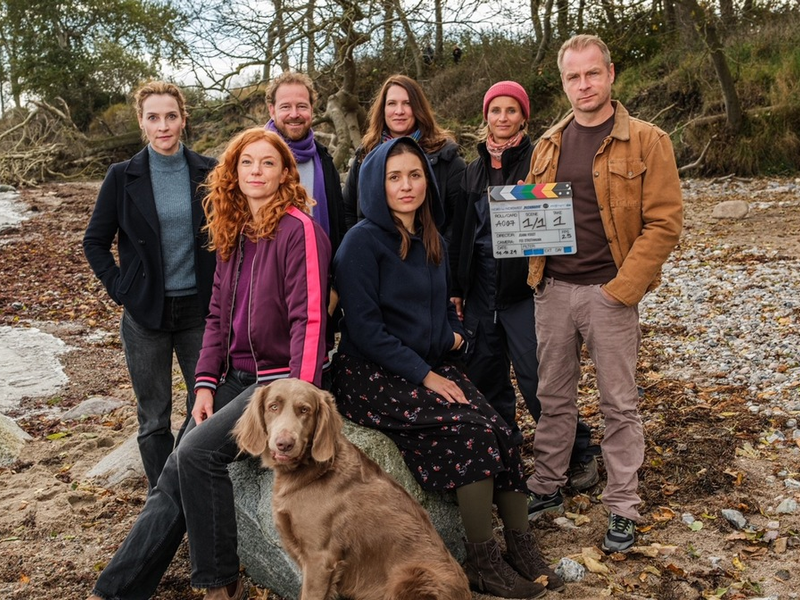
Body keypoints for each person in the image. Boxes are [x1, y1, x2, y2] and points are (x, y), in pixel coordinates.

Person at [86, 128, 331, 600]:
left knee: (197, 455)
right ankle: (115, 592)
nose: (256, 172)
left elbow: (311, 316)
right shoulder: (234, 231)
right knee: (173, 475)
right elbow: (216, 316)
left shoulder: (299, 229)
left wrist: (297, 397)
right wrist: (203, 384)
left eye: (267, 163)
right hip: (235, 378)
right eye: (246, 163)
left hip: (276, 383)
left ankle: (218, 584)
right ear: (233, 174)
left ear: (285, 174)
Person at [331, 136, 563, 599]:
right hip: (370, 374)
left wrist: (455, 331)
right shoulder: (360, 242)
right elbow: (367, 330)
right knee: (468, 434)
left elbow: (448, 302)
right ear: (377, 184)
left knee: (499, 426)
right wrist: (428, 375)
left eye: (415, 175)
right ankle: (481, 561)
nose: (406, 185)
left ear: (428, 181)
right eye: (394, 177)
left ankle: (520, 546)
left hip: (426, 361)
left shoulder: (431, 234)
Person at [524, 34, 683, 552]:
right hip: (553, 290)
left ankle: (622, 505)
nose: (584, 84)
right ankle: (547, 486)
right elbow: (528, 216)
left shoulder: (648, 140)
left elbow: (664, 223)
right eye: (574, 76)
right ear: (563, 82)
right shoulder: (548, 142)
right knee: (553, 398)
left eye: (593, 73)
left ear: (611, 74)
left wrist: (623, 289)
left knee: (620, 402)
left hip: (609, 293)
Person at [449, 80, 598, 489]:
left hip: (526, 294)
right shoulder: (471, 171)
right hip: (480, 296)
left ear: (524, 116)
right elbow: (461, 235)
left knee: (540, 382)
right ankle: (504, 455)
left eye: (511, 110)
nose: (502, 118)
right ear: (485, 117)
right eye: (495, 110)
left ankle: (580, 452)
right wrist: (456, 288)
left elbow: (561, 222)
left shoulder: (540, 161)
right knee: (486, 380)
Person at [83, 81, 217, 490]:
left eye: (171, 116)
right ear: (142, 122)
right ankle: (164, 502)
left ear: (183, 118)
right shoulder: (122, 177)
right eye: (154, 117)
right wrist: (122, 288)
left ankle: (188, 486)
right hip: (145, 314)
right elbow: (94, 241)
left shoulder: (209, 171)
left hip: (200, 310)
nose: (164, 126)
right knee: (154, 416)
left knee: (205, 407)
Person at [342, 74, 465, 241]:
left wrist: (439, 259)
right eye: (392, 103)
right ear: (383, 110)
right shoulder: (365, 156)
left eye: (407, 103)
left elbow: (460, 221)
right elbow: (348, 209)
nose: (399, 111)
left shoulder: (446, 156)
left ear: (418, 108)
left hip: (431, 259)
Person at [264, 70, 346, 253]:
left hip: (318, 268)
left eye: (301, 106)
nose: (294, 114)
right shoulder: (252, 159)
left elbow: (339, 222)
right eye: (285, 107)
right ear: (272, 110)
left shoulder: (324, 160)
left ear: (311, 108)